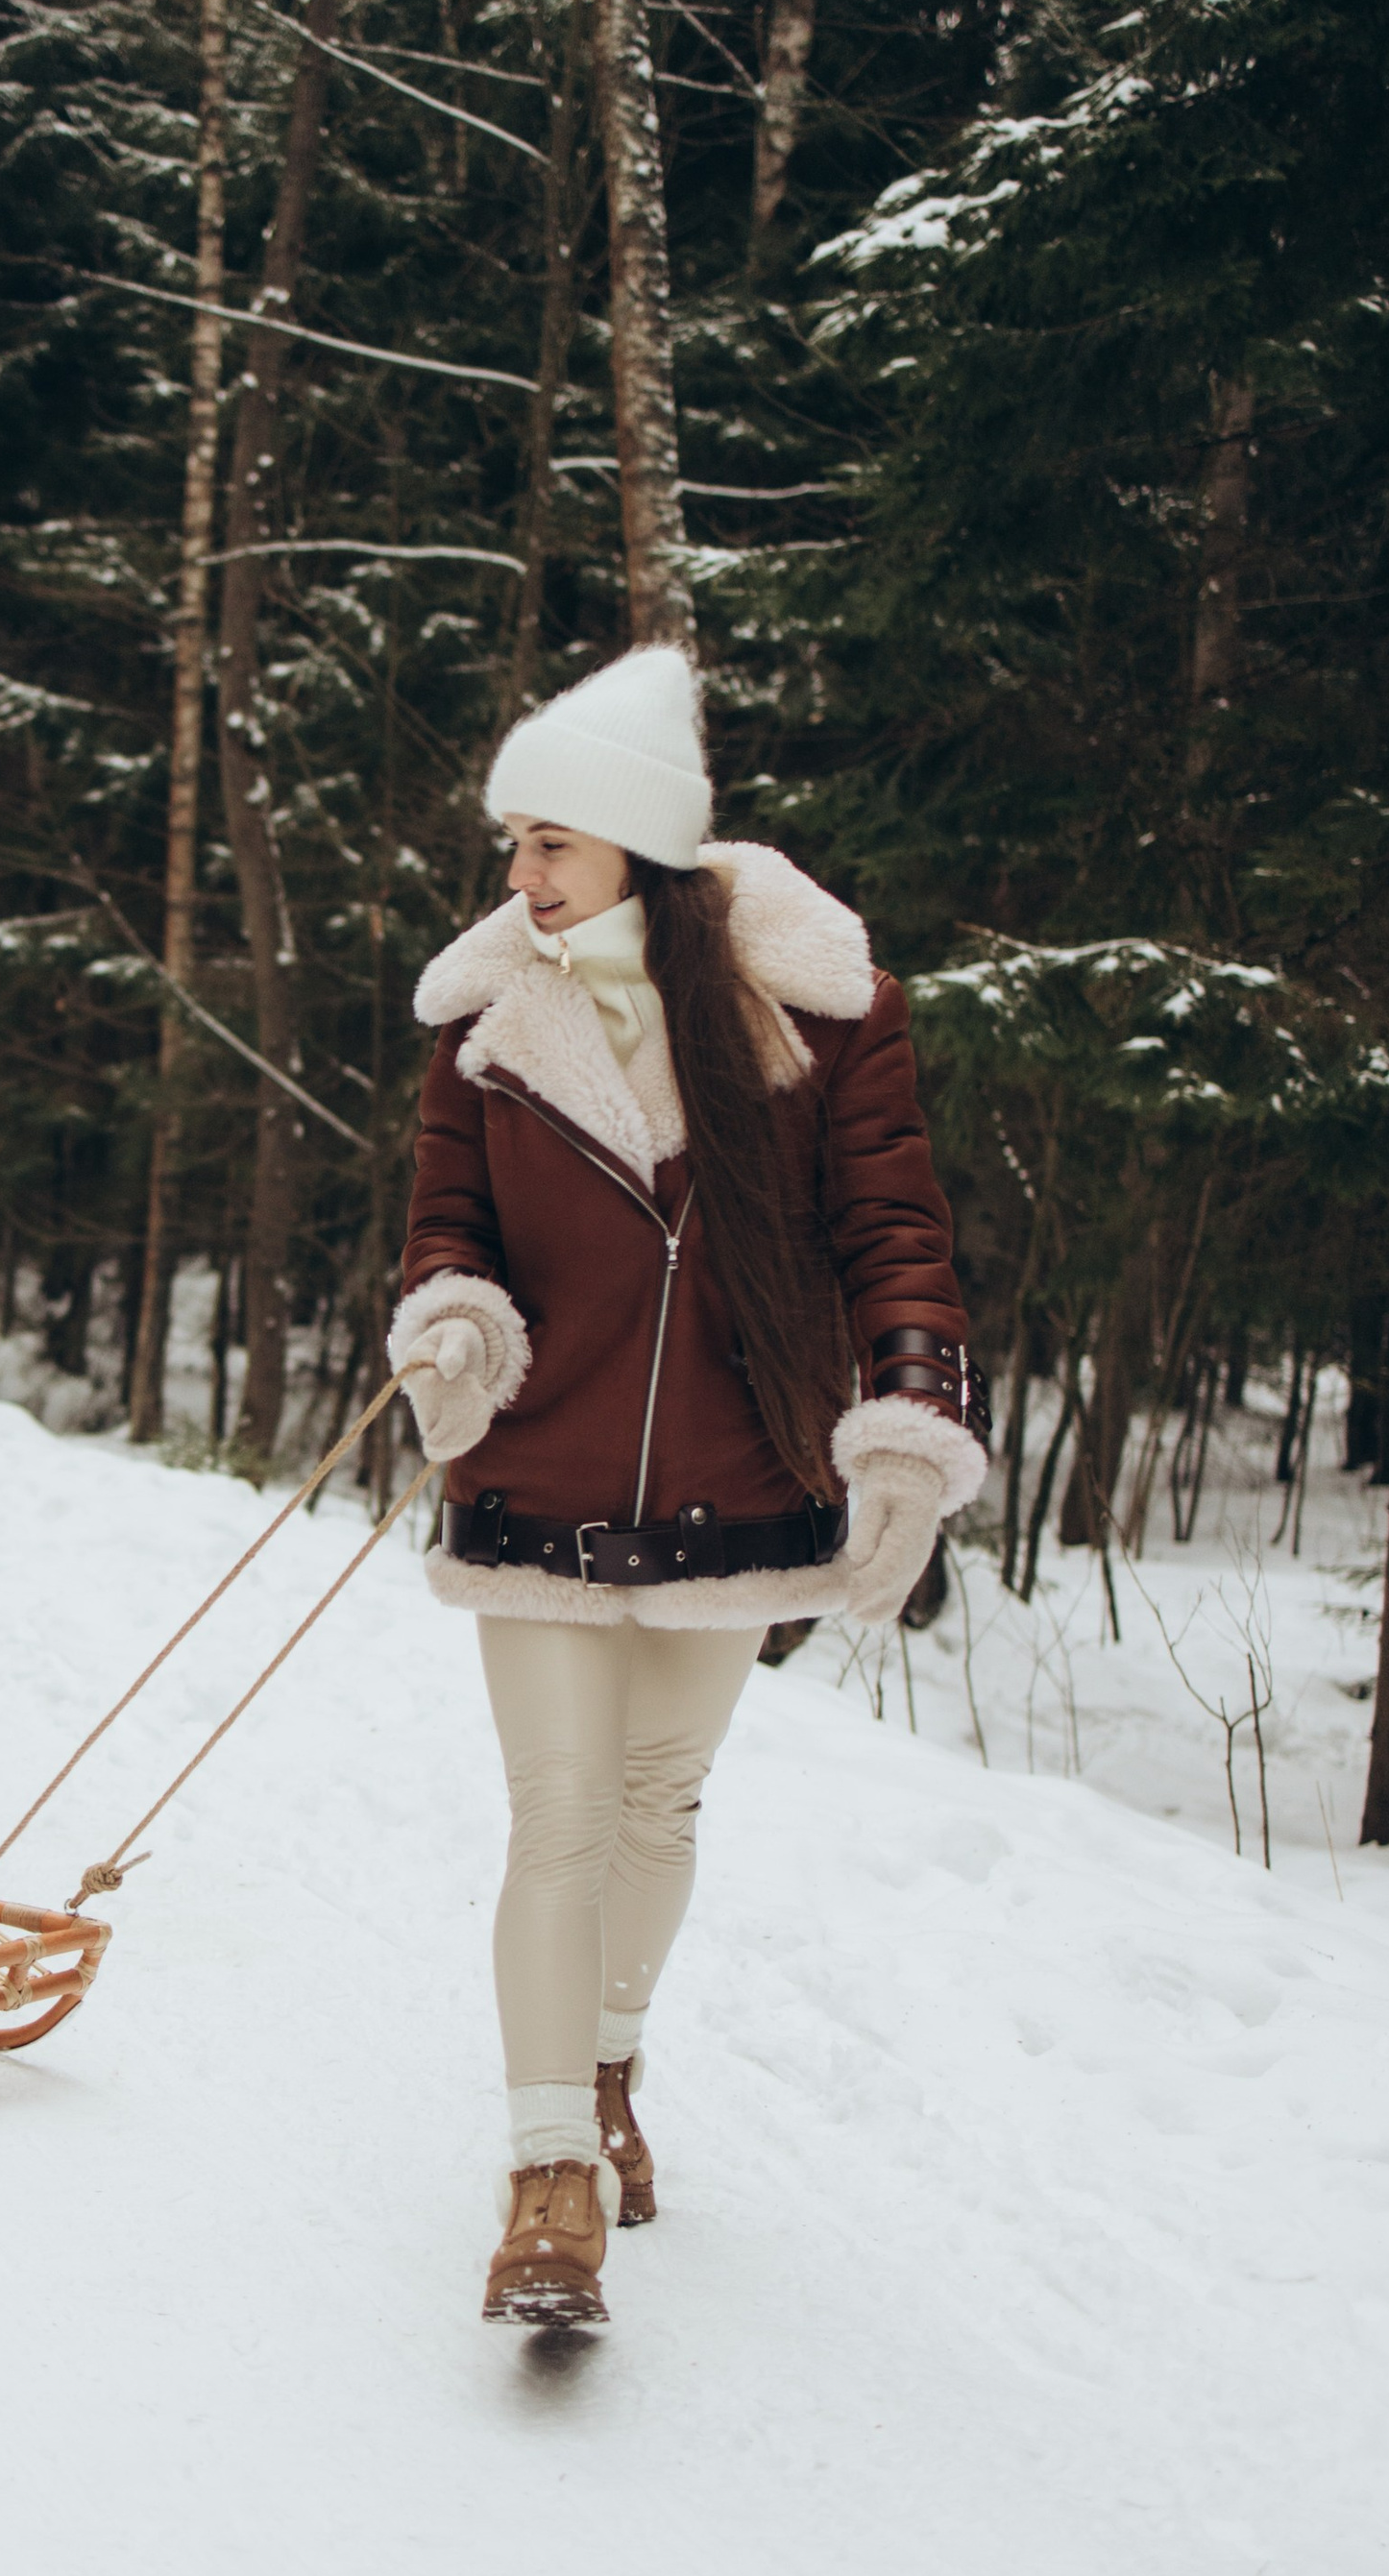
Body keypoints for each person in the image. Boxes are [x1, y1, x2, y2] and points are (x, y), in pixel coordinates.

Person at [387, 647, 988, 2328]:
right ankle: (544, 2175)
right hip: (535, 1476)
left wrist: (910, 1422)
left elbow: (895, 1235)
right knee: (560, 1812)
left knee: (658, 1804)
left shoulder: (824, 1012)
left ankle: (610, 2072)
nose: (519, 877)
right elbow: (451, 1223)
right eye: (513, 846)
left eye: (549, 846)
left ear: (640, 848)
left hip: (738, 1483)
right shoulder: (486, 1024)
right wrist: (451, 1326)